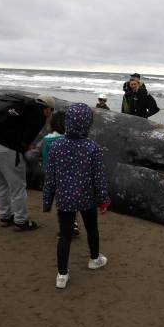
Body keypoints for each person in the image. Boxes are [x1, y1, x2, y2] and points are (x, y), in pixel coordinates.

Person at [43, 103, 110, 289]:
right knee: (91, 229)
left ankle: (62, 275)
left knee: (64, 235)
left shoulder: (56, 146)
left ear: (68, 121)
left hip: (64, 198)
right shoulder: (92, 147)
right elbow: (99, 177)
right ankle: (94, 259)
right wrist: (103, 200)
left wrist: (47, 201)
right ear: (87, 123)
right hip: (86, 197)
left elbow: (50, 176)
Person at [0, 93, 55, 231]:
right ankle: (20, 221)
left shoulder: (22, 106)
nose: (50, 114)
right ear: (47, 108)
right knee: (17, 186)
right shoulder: (38, 114)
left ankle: (5, 217)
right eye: (51, 111)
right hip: (5, 149)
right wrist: (25, 151)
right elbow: (26, 138)